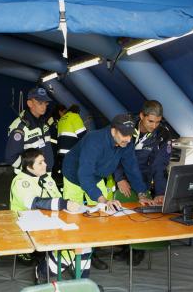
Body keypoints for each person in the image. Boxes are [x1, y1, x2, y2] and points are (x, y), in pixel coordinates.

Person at [62, 114, 149, 270]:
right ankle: (69, 259)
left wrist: (142, 193)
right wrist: (102, 199)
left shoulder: (127, 142)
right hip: (74, 174)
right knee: (72, 219)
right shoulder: (94, 140)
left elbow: (132, 167)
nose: (128, 139)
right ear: (113, 130)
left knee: (102, 215)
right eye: (124, 135)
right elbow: (84, 174)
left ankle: (91, 254)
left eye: (130, 135)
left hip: (96, 176)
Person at [9, 148, 82, 283]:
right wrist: (62, 203)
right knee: (70, 242)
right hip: (26, 225)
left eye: (44, 161)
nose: (45, 165)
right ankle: (44, 271)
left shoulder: (47, 178)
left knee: (80, 238)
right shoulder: (20, 182)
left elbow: (57, 198)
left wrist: (68, 205)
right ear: (29, 167)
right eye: (40, 163)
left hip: (50, 221)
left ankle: (82, 279)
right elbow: (34, 203)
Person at [114, 100, 172, 264]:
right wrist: (120, 178)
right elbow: (114, 153)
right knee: (122, 212)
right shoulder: (126, 126)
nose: (154, 125)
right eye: (150, 121)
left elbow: (159, 166)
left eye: (158, 122)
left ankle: (137, 250)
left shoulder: (163, 134)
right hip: (123, 173)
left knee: (140, 212)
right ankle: (124, 246)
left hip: (144, 177)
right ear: (141, 116)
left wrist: (160, 192)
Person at [5, 87, 54, 173]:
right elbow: (11, 157)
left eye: (45, 103)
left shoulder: (43, 122)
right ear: (29, 103)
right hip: (30, 177)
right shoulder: (20, 127)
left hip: (46, 172)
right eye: (40, 103)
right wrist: (29, 170)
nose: (44, 106)